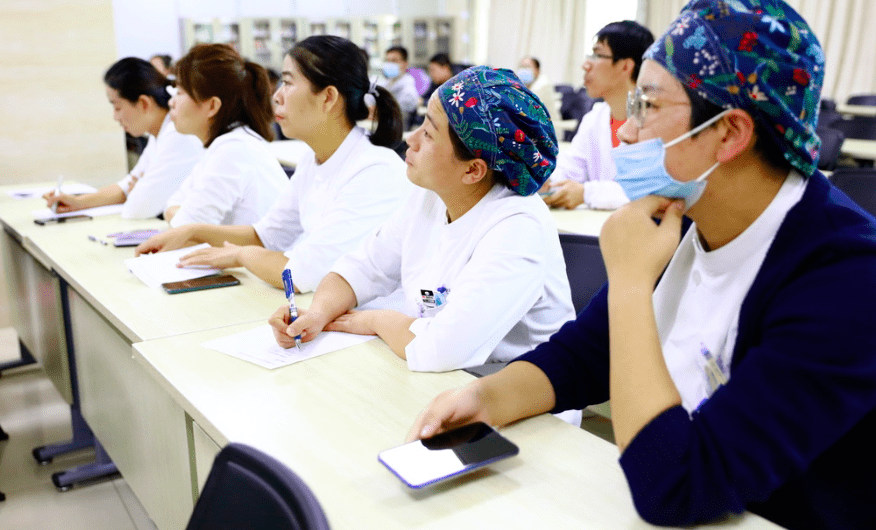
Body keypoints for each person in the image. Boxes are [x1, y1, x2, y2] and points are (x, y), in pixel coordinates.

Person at [407, 0, 876, 530]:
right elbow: (585, 355)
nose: (627, 133)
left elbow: (679, 483)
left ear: (730, 133)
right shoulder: (684, 213)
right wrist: (489, 399)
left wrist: (630, 282)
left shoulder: (848, 278)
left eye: (648, 107)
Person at [268, 66, 574, 378]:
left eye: (428, 134)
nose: (411, 140)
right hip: (447, 379)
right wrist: (317, 314)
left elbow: (439, 350)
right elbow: (363, 267)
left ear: (473, 170)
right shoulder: (431, 196)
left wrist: (374, 320)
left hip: (517, 400)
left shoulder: (517, 229)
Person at [137, 35, 410, 293]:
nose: (277, 95)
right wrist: (191, 231)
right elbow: (266, 236)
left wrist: (240, 255)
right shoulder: (313, 159)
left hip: (373, 325)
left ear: (328, 98)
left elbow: (300, 275)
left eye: (288, 84)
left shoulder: (375, 170)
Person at [44, 58, 203, 219]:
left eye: (117, 107)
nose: (115, 116)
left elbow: (138, 208)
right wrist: (77, 202)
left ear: (143, 103)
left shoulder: (177, 135)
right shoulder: (159, 134)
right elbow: (126, 188)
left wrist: (136, 189)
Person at [161, 44, 288, 227]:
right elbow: (173, 204)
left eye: (179, 92)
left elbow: (188, 228)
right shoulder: (224, 144)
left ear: (212, 106)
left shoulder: (234, 149)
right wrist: (179, 214)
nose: (172, 102)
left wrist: (179, 214)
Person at [543, 21, 654, 210]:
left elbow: (649, 191)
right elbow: (571, 170)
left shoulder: (655, 119)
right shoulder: (595, 118)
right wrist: (546, 182)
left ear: (625, 66)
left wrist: (587, 193)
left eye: (597, 55)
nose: (586, 64)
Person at [382, 45, 420, 118]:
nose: (389, 64)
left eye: (394, 61)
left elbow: (401, 113)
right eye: (387, 61)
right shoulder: (387, 83)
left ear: (405, 64)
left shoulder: (408, 89)